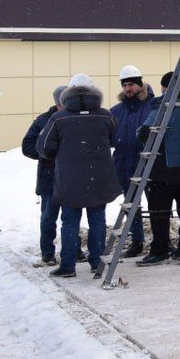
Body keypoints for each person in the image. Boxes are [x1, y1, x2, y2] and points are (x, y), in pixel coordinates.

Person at [36, 74, 119, 279]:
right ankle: (97, 262)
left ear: (67, 95)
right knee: (97, 221)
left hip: (69, 180)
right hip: (99, 178)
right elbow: (114, 138)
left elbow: (44, 147)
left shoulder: (58, 118)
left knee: (69, 222)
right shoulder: (105, 116)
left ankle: (68, 265)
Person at [136, 72, 180, 265]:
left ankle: (160, 249)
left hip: (163, 171)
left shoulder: (162, 106)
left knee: (159, 212)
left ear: (165, 88)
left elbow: (145, 133)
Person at [109, 65, 154, 256]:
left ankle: (161, 240)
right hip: (124, 164)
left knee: (156, 205)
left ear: (140, 84)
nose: (128, 89)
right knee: (131, 207)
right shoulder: (116, 111)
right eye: (125, 85)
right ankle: (136, 240)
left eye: (131, 85)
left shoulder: (154, 106)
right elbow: (109, 137)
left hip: (149, 165)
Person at [22, 85, 67, 265]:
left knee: (71, 216)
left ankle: (74, 249)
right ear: (58, 104)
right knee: (49, 217)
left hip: (71, 176)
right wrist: (48, 153)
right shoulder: (43, 120)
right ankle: (48, 253)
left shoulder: (72, 117)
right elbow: (28, 146)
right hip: (49, 177)